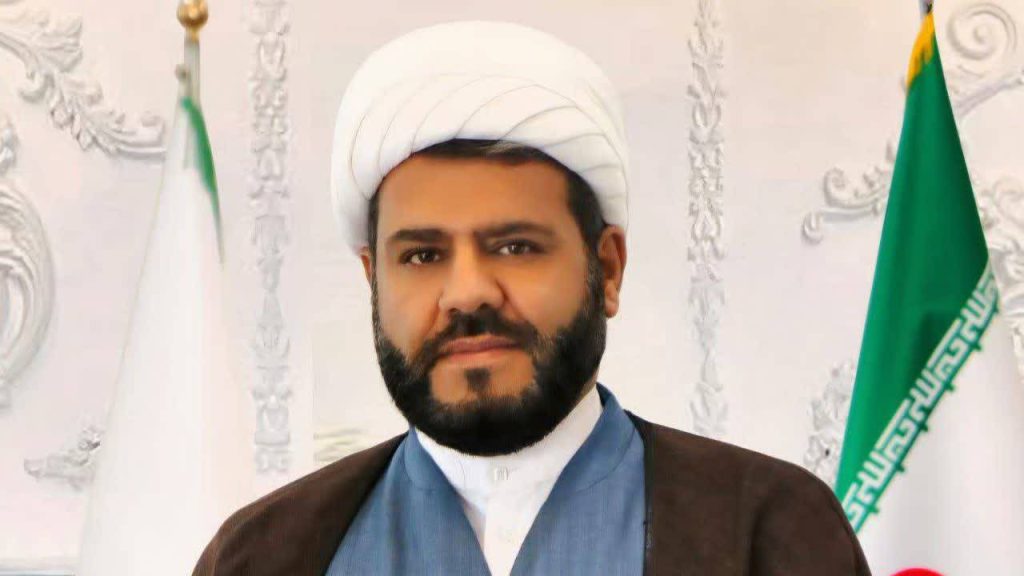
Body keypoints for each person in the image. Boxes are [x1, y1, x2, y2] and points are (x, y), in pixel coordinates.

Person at [193, 21, 870, 576]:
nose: (467, 294)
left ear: (607, 269)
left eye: (515, 246)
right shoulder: (265, 555)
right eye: (422, 255)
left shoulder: (765, 531)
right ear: (373, 279)